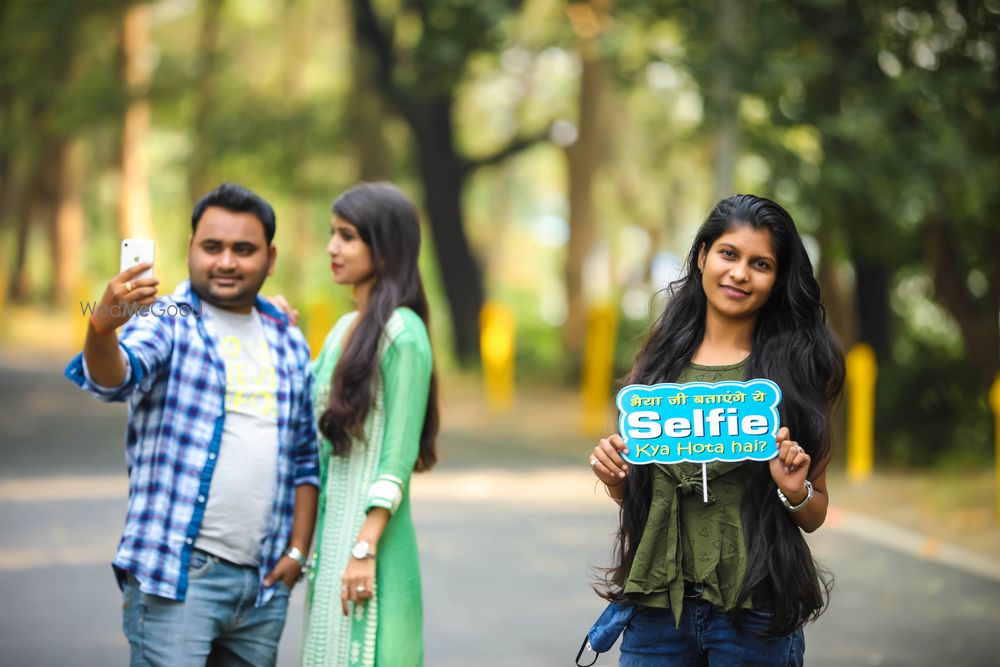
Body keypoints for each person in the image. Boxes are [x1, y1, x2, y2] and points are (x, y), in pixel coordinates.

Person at [64, 183, 320, 666]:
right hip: (178, 579)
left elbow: (306, 458)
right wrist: (102, 326)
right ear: (189, 250)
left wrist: (297, 552)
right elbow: (116, 377)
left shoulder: (288, 339)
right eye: (212, 247)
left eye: (243, 250)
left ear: (270, 258)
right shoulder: (167, 318)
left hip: (263, 587)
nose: (226, 262)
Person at [583, 194, 845, 666]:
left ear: (777, 277)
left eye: (760, 263)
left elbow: (815, 512)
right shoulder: (659, 367)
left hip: (756, 609)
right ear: (703, 255)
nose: (740, 273)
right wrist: (618, 481)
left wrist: (794, 490)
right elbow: (647, 495)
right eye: (729, 254)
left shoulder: (798, 371)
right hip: (658, 608)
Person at [299, 182, 438, 667]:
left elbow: (398, 454)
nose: (331, 248)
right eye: (333, 234)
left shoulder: (404, 333)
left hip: (374, 543)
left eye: (347, 236)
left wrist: (364, 547)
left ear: (384, 246)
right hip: (331, 540)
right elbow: (306, 423)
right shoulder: (342, 331)